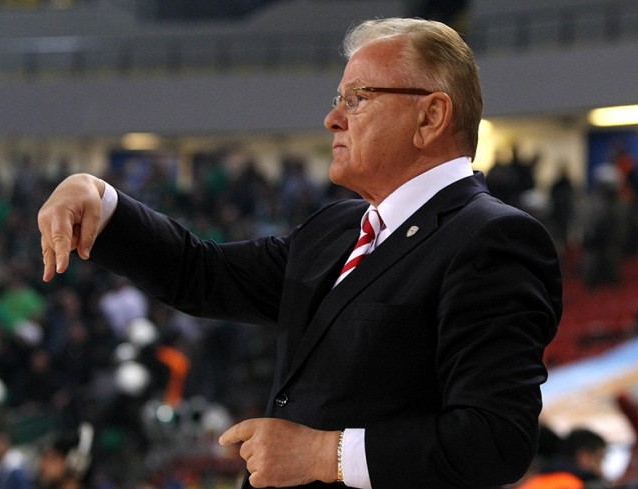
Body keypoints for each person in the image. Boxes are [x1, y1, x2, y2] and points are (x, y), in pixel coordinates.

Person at [38, 17, 562, 489]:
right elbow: (204, 273)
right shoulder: (336, 228)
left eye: (357, 98)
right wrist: (100, 202)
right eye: (339, 98)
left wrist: (323, 454)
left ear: (430, 117)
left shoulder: (492, 239)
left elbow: (495, 440)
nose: (333, 118)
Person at [515, 427, 610, 489]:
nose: (601, 469)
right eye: (601, 458)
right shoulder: (571, 484)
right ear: (584, 457)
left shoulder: (541, 478)